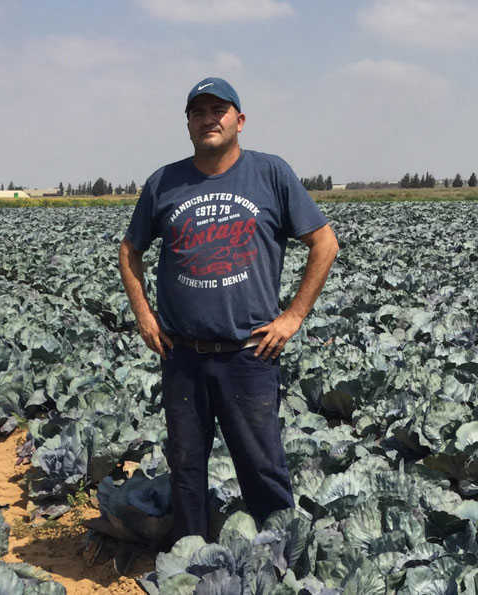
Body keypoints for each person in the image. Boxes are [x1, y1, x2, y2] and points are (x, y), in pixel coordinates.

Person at [117, 77, 339, 543]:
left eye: (219, 110)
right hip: (182, 353)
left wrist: (293, 316)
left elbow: (324, 243)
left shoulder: (270, 173)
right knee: (187, 467)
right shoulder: (164, 182)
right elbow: (129, 250)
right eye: (198, 112)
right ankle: (191, 560)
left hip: (249, 353)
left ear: (239, 120)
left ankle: (279, 560)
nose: (208, 119)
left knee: (263, 467)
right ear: (188, 124)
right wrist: (144, 314)